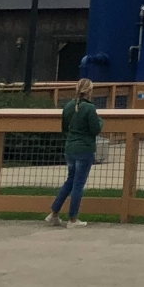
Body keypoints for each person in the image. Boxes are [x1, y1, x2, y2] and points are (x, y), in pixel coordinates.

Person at [45, 78, 101, 227]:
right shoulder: (89, 108)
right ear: (89, 91)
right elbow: (95, 129)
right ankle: (72, 219)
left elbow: (64, 127)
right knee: (78, 184)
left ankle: (54, 213)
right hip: (84, 149)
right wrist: (101, 122)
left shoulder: (68, 106)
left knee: (70, 180)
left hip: (70, 148)